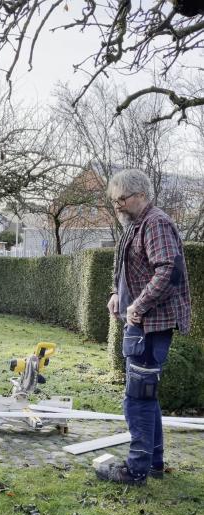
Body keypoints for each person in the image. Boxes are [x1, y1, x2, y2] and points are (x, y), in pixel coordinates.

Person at [95, 169, 191, 485]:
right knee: (146, 395)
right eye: (114, 201)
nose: (118, 205)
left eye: (122, 199)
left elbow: (169, 270)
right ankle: (155, 463)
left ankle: (136, 469)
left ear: (142, 195)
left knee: (136, 397)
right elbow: (122, 263)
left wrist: (138, 304)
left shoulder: (156, 223)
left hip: (151, 324)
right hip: (141, 324)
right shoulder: (135, 226)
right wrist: (114, 292)